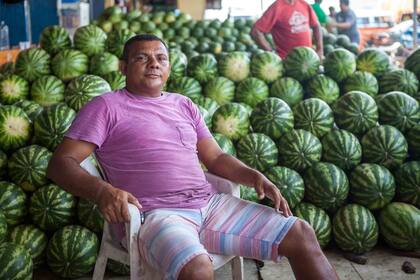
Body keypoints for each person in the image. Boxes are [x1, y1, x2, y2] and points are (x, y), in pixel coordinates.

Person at [47, 34, 338, 280]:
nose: (153, 64)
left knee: (300, 233)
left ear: (169, 68)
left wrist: (254, 177)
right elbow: (61, 164)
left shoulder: (183, 105)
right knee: (198, 270)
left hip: (210, 205)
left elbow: (215, 157)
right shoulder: (106, 106)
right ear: (123, 66)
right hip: (156, 215)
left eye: (161, 58)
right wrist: (102, 190)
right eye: (141, 58)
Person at [251, 0, 323, 59]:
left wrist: (320, 49)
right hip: (287, 62)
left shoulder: (304, 4)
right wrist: (271, 52)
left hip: (308, 60)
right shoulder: (277, 7)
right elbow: (256, 31)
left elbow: (316, 26)